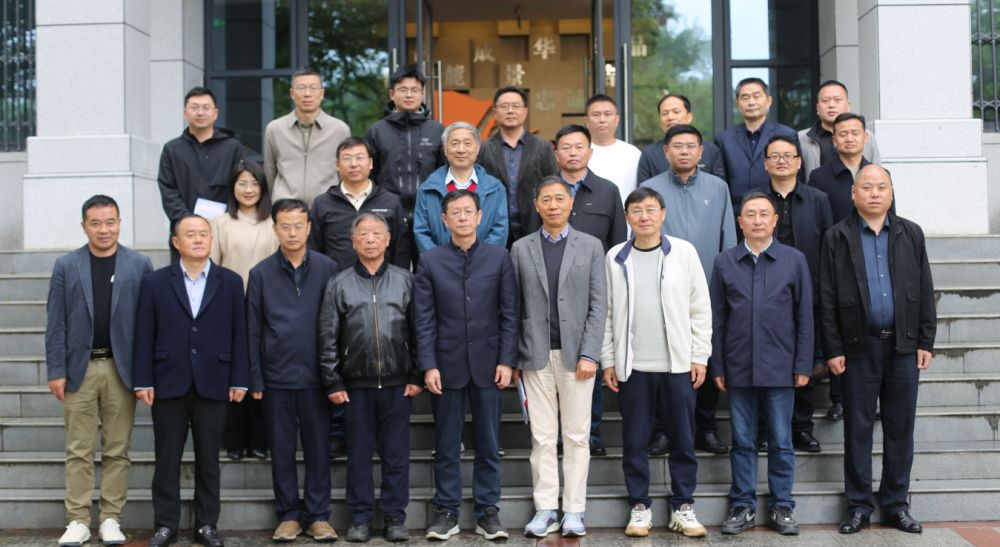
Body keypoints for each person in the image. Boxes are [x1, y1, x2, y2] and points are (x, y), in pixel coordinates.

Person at [820, 164, 936, 535]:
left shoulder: (910, 233)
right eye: (867, 187)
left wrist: (925, 340)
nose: (874, 193)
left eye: (881, 187)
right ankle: (858, 506)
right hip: (858, 348)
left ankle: (896, 505)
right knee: (858, 429)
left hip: (903, 347)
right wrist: (832, 348)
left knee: (901, 429)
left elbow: (925, 289)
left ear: (891, 192)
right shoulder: (837, 236)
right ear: (853, 193)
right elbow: (827, 297)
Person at [133, 214, 250, 547]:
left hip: (214, 380)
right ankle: (165, 525)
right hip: (168, 381)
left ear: (212, 239)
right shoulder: (155, 282)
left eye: (203, 234)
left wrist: (240, 379)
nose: (198, 239)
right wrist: (143, 379)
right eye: (190, 234)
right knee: (166, 459)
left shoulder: (230, 282)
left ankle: (206, 524)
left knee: (209, 460)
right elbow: (144, 333)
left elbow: (240, 333)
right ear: (176, 242)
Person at [601, 186, 711, 539]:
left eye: (651, 209)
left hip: (677, 365)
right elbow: (606, 313)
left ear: (663, 214)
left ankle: (683, 506)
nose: (644, 216)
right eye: (637, 211)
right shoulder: (616, 257)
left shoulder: (684, 252)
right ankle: (639, 506)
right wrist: (608, 359)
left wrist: (699, 355)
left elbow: (700, 307)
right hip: (633, 367)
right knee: (635, 440)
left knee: (683, 438)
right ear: (627, 217)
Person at [46, 195, 153, 547]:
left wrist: (144, 373)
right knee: (78, 449)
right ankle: (77, 519)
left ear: (120, 223)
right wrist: (56, 369)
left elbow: (148, 324)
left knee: (117, 448)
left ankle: (110, 517)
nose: (104, 230)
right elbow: (55, 322)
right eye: (96, 223)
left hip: (121, 370)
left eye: (110, 222)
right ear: (84, 226)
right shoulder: (66, 265)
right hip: (80, 369)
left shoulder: (139, 264)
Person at [415, 190, 517, 541]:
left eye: (468, 211)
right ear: (444, 220)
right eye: (455, 212)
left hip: (490, 364)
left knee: (489, 442)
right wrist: (428, 364)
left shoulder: (499, 258)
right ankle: (447, 511)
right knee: (446, 443)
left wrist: (507, 360)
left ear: (479, 216)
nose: (462, 217)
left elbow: (509, 313)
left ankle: (488, 511)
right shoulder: (430, 261)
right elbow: (423, 319)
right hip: (446, 365)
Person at [710, 191, 813, 536]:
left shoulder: (794, 260)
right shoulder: (725, 262)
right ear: (740, 222)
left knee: (782, 440)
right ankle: (742, 505)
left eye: (763, 214)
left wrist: (803, 364)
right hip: (738, 366)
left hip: (781, 366)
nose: (757, 220)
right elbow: (717, 318)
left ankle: (782, 505)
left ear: (775, 220)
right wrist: (718, 365)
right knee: (742, 440)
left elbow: (805, 316)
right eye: (750, 215)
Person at [511, 177, 606, 538]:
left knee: (578, 436)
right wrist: (515, 356)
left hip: (577, 356)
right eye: (546, 200)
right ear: (536, 205)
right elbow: (514, 305)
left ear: (571, 203)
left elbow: (599, 304)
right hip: (534, 354)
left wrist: (590, 353)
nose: (553, 205)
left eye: (559, 199)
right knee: (543, 437)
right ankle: (546, 508)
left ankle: (575, 510)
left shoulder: (591, 246)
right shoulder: (521, 248)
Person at [318, 212, 422, 543]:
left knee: (396, 455)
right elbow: (328, 335)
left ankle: (394, 517)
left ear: (388, 240)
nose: (370, 239)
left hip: (397, 384)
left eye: (377, 233)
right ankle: (360, 518)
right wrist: (333, 380)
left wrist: (416, 373)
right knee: (359, 456)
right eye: (363, 234)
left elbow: (419, 330)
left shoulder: (406, 281)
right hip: (355, 386)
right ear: (353, 241)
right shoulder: (339, 283)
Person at [247, 199, 340, 543]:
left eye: (299, 226)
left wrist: (335, 375)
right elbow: (252, 329)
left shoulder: (328, 268)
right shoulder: (260, 274)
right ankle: (288, 515)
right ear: (274, 229)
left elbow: (337, 323)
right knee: (282, 450)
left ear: (309, 228)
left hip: (318, 377)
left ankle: (317, 516)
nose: (292, 233)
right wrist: (255, 376)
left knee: (318, 449)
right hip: (276, 377)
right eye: (285, 226)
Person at [640, 124, 736, 455]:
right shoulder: (650, 189)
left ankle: (705, 428)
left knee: (703, 356)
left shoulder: (718, 187)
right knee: (661, 362)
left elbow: (728, 238)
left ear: (701, 151)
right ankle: (662, 430)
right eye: (677, 146)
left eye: (691, 146)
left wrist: (726, 282)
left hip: (707, 288)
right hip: (660, 289)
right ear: (665, 151)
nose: (684, 151)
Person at [751, 135, 833, 453]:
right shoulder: (755, 199)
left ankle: (801, 428)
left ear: (800, 162)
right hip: (762, 292)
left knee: (804, 359)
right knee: (763, 360)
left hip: (806, 290)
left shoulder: (818, 199)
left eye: (789, 155)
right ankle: (763, 429)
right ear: (765, 164)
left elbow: (827, 246)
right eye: (775, 156)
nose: (782, 160)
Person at [551, 123, 627, 456]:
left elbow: (618, 243)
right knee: (555, 367)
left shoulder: (608, 192)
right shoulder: (545, 190)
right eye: (566, 147)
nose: (572, 153)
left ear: (590, 152)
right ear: (556, 154)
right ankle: (557, 435)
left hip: (591, 293)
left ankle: (591, 434)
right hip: (551, 292)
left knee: (588, 364)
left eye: (579, 147)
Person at [807, 112, 882, 422]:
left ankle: (876, 397)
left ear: (865, 137)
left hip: (873, 258)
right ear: (834, 140)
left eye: (855, 133)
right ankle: (839, 397)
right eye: (843, 134)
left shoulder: (877, 174)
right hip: (837, 260)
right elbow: (818, 222)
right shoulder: (820, 177)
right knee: (841, 325)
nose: (849, 138)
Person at [209, 160, 278, 462]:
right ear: (233, 187)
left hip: (268, 306)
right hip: (230, 305)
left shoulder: (273, 222)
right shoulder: (220, 223)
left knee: (262, 370)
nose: (248, 189)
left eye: (254, 183)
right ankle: (234, 440)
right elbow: (212, 265)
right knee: (235, 370)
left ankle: (260, 440)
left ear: (263, 188)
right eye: (242, 183)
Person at [364, 65, 446, 261]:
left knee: (429, 268)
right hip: (387, 215)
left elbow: (444, 173)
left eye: (414, 90)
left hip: (428, 215)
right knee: (391, 270)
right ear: (392, 94)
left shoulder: (437, 130)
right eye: (403, 90)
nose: (409, 95)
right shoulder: (377, 131)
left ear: (422, 94)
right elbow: (369, 176)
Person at [157, 86, 245, 262]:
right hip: (185, 232)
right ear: (185, 113)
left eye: (206, 107)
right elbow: (168, 189)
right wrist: (188, 221)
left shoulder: (232, 147)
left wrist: (225, 218)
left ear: (215, 113)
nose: (200, 112)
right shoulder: (172, 149)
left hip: (224, 229)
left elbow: (240, 186)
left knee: (224, 277)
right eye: (194, 107)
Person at [310, 137, 412, 270]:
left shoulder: (390, 202)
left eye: (359, 157)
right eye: (347, 158)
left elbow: (401, 251)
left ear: (370, 163)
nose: (354, 164)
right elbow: (314, 251)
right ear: (337, 165)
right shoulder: (323, 204)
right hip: (335, 280)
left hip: (383, 280)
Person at [477, 86, 559, 243]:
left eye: (516, 106)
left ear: (525, 111)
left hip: (536, 229)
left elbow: (553, 187)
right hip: (495, 231)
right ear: (495, 112)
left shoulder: (543, 147)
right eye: (504, 106)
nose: (510, 111)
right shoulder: (483, 149)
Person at [413, 121, 508, 252]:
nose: (461, 150)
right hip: (439, 263)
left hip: (484, 262)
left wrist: (480, 259)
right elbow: (421, 232)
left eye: (467, 143)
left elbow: (500, 230)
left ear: (477, 148)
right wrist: (440, 260)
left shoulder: (495, 188)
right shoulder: (427, 189)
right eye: (455, 143)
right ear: (445, 149)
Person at [264, 67, 351, 206]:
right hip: (285, 209)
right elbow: (270, 172)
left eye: (313, 88)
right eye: (301, 88)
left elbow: (345, 173)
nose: (307, 94)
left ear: (322, 93)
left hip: (327, 208)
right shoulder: (275, 129)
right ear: (292, 93)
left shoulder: (340, 130)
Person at [714, 78, 798, 213]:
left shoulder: (787, 134)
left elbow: (797, 175)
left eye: (756, 96)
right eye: (745, 97)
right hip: (737, 213)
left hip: (777, 211)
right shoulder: (724, 139)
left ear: (769, 101)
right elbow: (720, 181)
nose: (751, 102)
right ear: (738, 104)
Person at [798, 80, 881, 178]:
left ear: (848, 105)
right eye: (825, 101)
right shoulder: (802, 138)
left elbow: (878, 174)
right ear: (818, 108)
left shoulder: (866, 136)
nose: (831, 105)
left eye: (837, 100)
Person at [637, 94, 726, 182]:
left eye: (676, 112)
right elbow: (643, 189)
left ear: (689, 117)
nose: (670, 117)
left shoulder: (710, 150)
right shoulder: (649, 154)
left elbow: (719, 186)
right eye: (665, 113)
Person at [584, 94, 642, 202]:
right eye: (596, 114)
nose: (602, 120)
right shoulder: (580, 153)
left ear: (617, 120)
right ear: (586, 121)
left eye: (607, 114)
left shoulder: (633, 153)